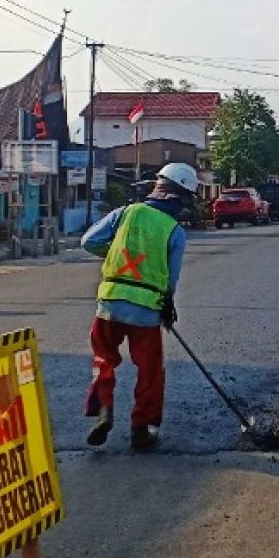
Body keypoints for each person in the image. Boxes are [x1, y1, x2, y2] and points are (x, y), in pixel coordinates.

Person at [81, 162, 197, 451]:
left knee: (104, 359)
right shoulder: (174, 231)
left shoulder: (126, 213)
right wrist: (166, 308)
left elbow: (88, 241)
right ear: (177, 198)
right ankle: (141, 428)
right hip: (146, 310)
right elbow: (170, 280)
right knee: (150, 371)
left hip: (109, 303)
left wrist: (116, 254)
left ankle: (104, 407)